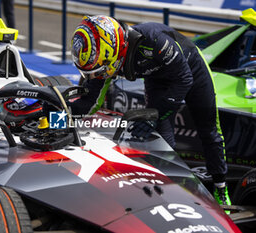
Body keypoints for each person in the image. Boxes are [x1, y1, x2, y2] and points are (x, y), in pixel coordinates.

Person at [70, 15, 231, 207]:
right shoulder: (102, 57)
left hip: (191, 71)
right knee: (162, 140)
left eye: (98, 71)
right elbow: (90, 102)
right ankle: (169, 192)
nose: (96, 76)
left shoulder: (153, 40)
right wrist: (62, 115)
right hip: (157, 80)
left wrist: (153, 115)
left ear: (112, 53)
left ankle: (221, 187)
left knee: (209, 130)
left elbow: (184, 80)